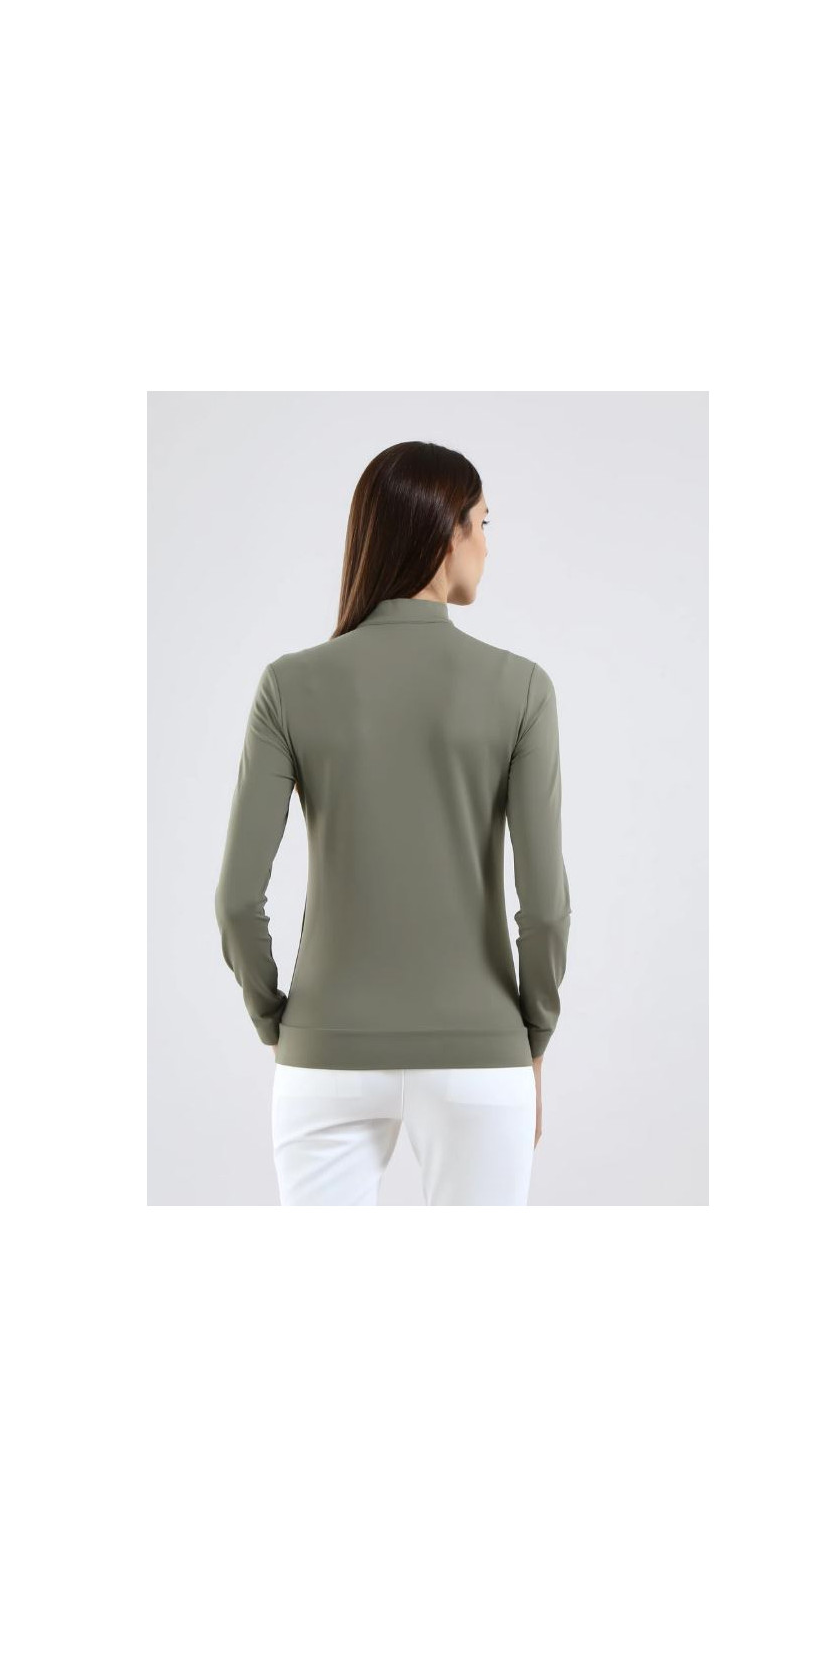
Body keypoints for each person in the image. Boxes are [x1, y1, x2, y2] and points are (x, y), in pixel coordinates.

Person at [214, 440, 571, 1205]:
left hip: (323, 1050)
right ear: (449, 531)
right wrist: (533, 1037)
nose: (487, 545)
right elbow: (544, 908)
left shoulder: (289, 686)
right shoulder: (521, 688)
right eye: (483, 522)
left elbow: (237, 901)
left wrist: (278, 1022)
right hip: (482, 1052)